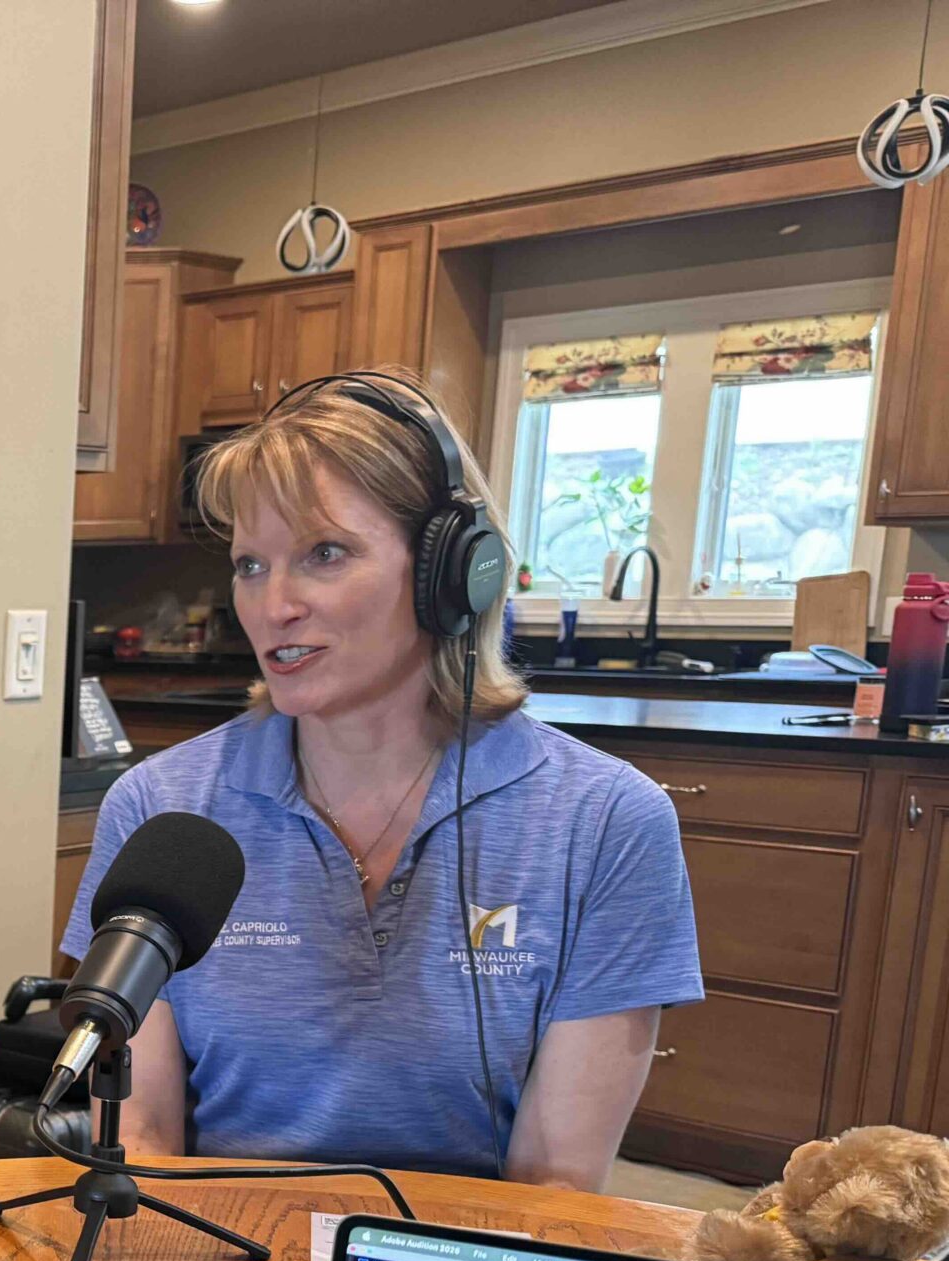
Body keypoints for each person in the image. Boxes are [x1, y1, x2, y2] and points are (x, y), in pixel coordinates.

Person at [60, 369, 702, 1190]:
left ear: (451, 575)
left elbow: (556, 1188)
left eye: (324, 554)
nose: (272, 605)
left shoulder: (606, 822)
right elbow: (141, 1138)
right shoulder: (160, 808)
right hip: (218, 1258)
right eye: (250, 566)